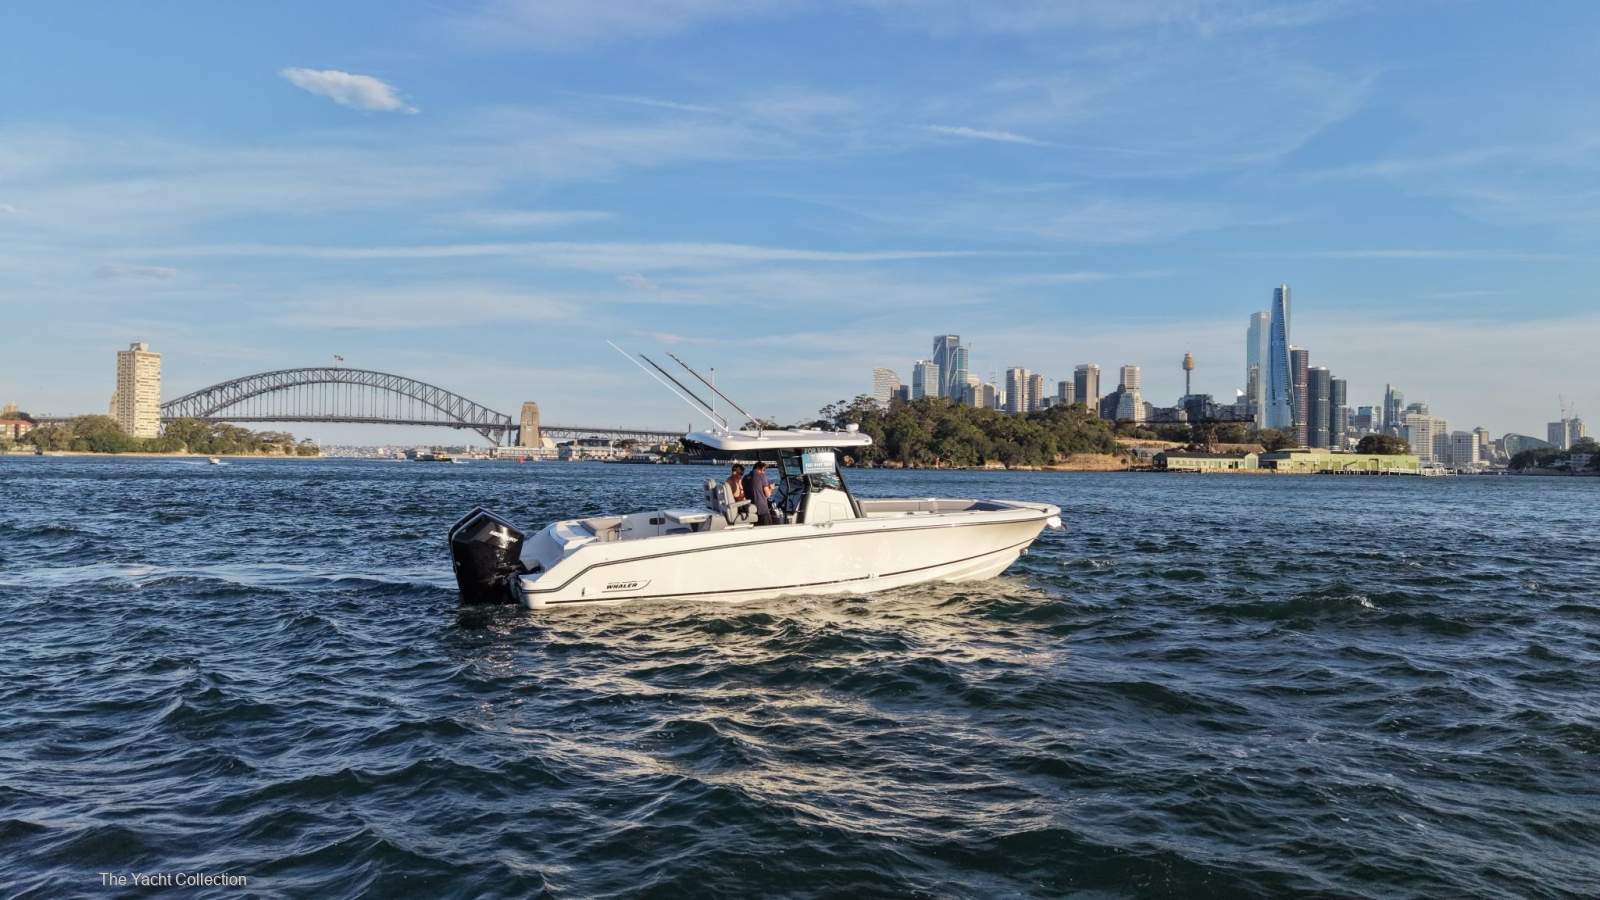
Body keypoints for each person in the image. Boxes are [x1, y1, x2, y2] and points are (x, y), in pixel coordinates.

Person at [745, 461, 776, 525]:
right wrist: (771, 488)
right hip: (762, 510)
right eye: (764, 470)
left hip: (750, 510)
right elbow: (768, 494)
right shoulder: (762, 475)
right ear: (760, 468)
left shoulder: (745, 478)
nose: (764, 472)